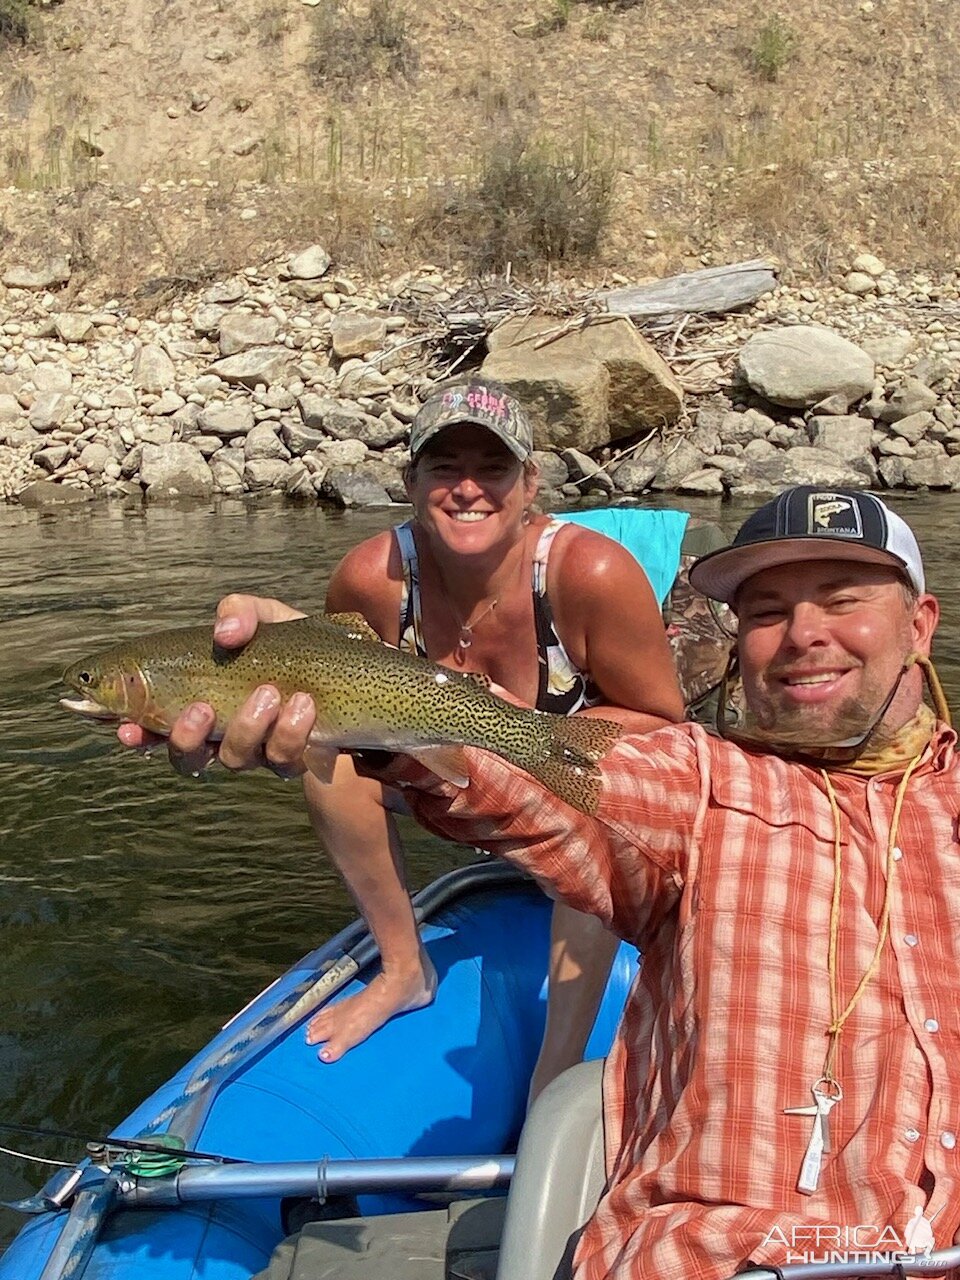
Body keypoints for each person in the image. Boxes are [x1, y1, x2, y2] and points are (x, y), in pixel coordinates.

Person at [177, 483, 956, 1280]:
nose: (802, 635)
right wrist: (330, 680)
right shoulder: (701, 786)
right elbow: (516, 775)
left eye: (841, 599)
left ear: (919, 625)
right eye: (766, 613)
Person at [120, 378, 686, 1087]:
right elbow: (336, 688)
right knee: (329, 756)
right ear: (410, 480)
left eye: (494, 468)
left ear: (530, 482)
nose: (468, 489)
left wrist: (535, 740)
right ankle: (403, 966)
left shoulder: (592, 574)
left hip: (562, 784)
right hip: (438, 771)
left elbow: (665, 725)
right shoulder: (373, 578)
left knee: (594, 804)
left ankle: (558, 1072)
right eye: (445, 468)